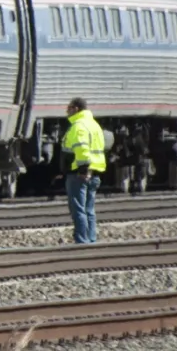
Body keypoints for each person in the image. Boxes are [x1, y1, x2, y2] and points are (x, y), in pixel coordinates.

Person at [62, 97, 107, 243]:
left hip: (79, 174)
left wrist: (83, 170)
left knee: (78, 209)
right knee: (89, 210)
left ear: (76, 109)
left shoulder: (78, 125)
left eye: (68, 107)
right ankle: (91, 239)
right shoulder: (94, 125)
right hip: (95, 172)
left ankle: (82, 240)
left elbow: (82, 149)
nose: (66, 111)